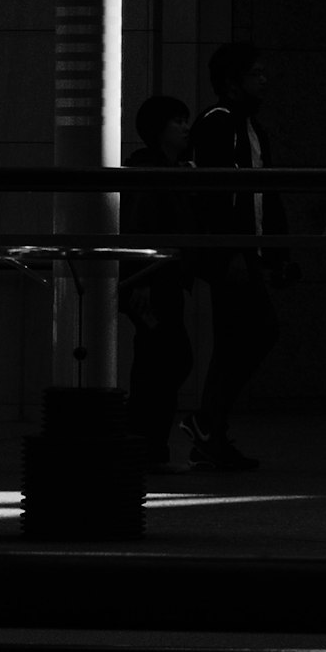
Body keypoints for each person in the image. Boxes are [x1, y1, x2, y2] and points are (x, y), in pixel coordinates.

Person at [184, 41, 290, 472]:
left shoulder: (250, 128)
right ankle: (207, 422)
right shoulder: (219, 122)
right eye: (256, 74)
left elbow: (264, 194)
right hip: (233, 251)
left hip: (244, 251)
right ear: (232, 82)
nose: (264, 80)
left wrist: (275, 251)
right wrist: (230, 251)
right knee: (257, 330)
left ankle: (210, 431)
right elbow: (216, 195)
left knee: (236, 339)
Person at [120, 94, 198, 473]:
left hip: (159, 278)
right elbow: (141, 228)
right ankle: (146, 439)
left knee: (158, 358)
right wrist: (141, 281)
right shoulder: (152, 173)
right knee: (165, 357)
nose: (186, 127)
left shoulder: (169, 169)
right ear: (158, 131)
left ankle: (147, 440)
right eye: (177, 122)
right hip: (153, 279)